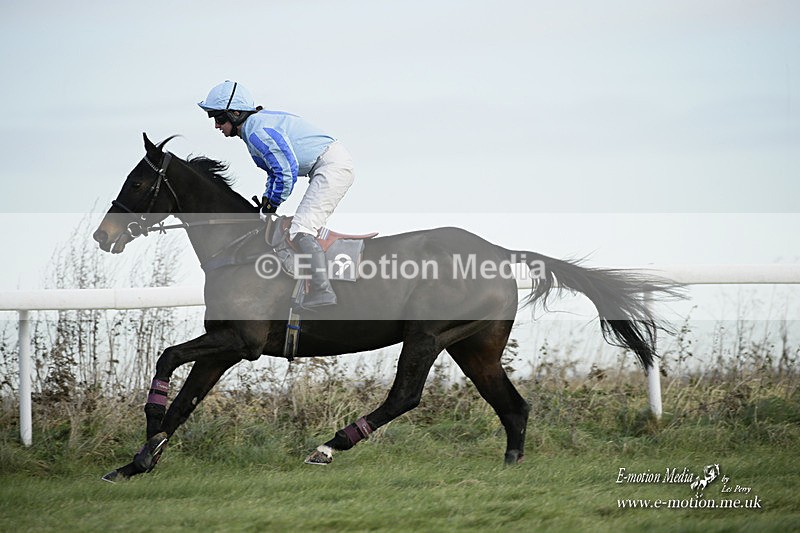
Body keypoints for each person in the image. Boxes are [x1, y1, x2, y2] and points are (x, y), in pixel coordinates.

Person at [198, 80, 354, 309]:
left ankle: (323, 292)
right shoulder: (253, 129)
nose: (216, 126)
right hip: (326, 164)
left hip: (331, 165)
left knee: (302, 229)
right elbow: (275, 173)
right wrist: (266, 203)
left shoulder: (256, 131)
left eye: (219, 119)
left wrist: (272, 203)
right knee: (296, 227)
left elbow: (285, 171)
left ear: (236, 113)